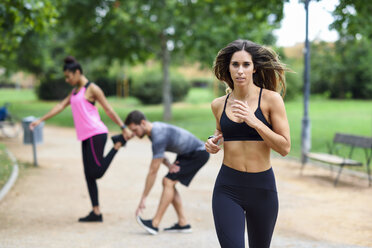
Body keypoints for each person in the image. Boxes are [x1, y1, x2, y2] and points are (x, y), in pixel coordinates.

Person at [205, 39, 291, 248]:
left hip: (262, 189)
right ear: (228, 68)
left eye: (246, 65)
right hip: (227, 187)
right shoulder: (218, 104)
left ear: (254, 69)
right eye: (235, 64)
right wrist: (212, 141)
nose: (240, 71)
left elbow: (285, 147)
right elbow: (221, 131)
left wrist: (255, 122)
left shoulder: (271, 100)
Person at [29, 56, 131, 222]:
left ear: (77, 72)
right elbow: (60, 106)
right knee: (88, 175)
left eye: (69, 76)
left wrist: (123, 127)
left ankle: (118, 144)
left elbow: (108, 109)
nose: (67, 80)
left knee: (96, 172)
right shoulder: (75, 92)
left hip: (95, 133)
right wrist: (41, 119)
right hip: (85, 136)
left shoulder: (92, 89)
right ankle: (96, 212)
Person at [124, 110, 210, 235]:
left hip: (197, 153)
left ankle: (154, 224)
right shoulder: (153, 130)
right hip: (186, 154)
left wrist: (143, 198)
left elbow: (153, 171)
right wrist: (169, 165)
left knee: (168, 181)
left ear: (142, 123)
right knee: (169, 182)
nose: (134, 134)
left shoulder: (158, 134)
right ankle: (183, 223)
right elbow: (160, 153)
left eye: (135, 130)